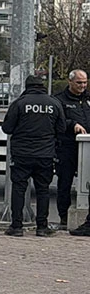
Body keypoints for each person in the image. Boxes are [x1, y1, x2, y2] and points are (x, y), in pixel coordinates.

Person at [1, 75, 65, 237]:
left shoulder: (19, 104)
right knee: (43, 190)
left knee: (19, 188)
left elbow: (7, 128)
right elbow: (62, 128)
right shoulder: (54, 103)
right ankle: (42, 227)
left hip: (22, 154)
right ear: (42, 85)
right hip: (45, 154)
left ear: (27, 86)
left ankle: (16, 226)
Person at [52, 70, 90, 229]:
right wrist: (71, 124)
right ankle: (64, 217)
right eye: (79, 83)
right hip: (67, 147)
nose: (82, 86)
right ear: (70, 82)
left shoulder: (88, 99)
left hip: (87, 147)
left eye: (85, 82)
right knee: (65, 183)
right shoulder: (60, 100)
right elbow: (56, 120)